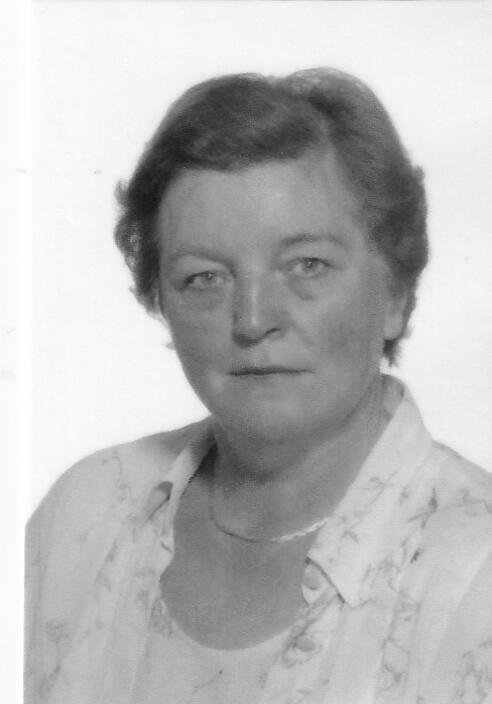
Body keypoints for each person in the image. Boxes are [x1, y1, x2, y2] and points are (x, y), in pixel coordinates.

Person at [25, 68, 492, 704]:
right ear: (159, 298)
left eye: (307, 265)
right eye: (204, 277)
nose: (251, 320)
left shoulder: (475, 570)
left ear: (397, 294)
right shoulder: (86, 511)